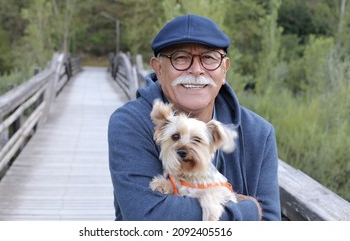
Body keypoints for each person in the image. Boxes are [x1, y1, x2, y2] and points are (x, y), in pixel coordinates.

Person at [108, 14, 281, 221]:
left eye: (209, 58)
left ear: (224, 69)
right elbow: (148, 217)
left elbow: (270, 226)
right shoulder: (130, 124)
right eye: (180, 58)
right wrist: (250, 210)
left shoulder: (259, 133)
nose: (197, 70)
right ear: (158, 69)